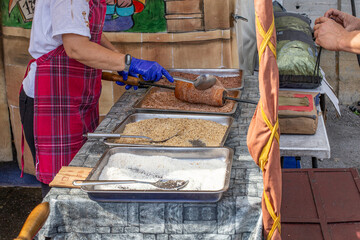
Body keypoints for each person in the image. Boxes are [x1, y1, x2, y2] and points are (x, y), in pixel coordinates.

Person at [19, 0, 173, 197]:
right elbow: (76, 47)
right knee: (63, 186)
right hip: (50, 100)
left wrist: (117, 59)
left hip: (74, 99)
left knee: (82, 171)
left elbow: (86, 32)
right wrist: (128, 63)